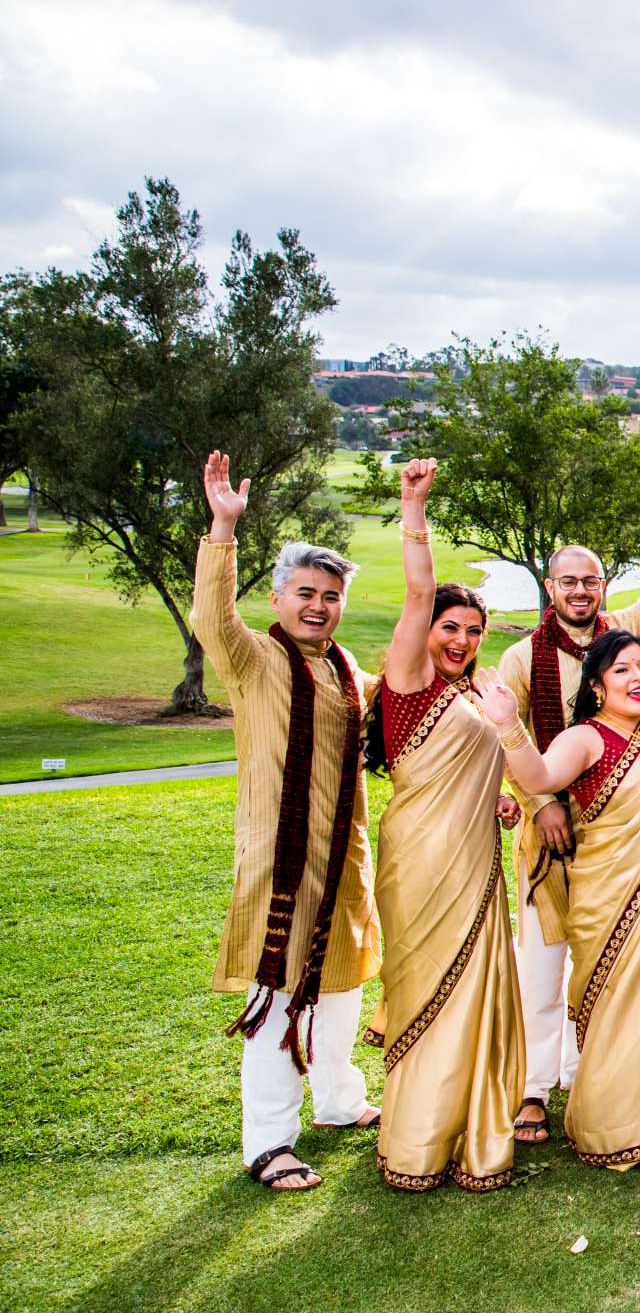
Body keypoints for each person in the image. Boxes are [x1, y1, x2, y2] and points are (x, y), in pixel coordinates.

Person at [476, 621, 640, 1170]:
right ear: (598, 685)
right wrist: (507, 725)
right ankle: (617, 1125)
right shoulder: (586, 737)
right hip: (612, 895)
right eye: (621, 670)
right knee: (626, 1006)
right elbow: (538, 775)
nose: (637, 677)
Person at [195, 450, 381, 1194]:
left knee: (340, 986)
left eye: (330, 596)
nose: (318, 606)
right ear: (277, 599)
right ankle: (270, 1142)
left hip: (344, 857)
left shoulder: (345, 670)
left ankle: (339, 1100)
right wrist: (224, 528)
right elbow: (211, 615)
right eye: (305, 593)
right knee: (278, 993)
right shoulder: (253, 661)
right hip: (280, 858)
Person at [491, 498, 640, 1148]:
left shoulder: (623, 633)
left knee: (607, 961)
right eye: (569, 581)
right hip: (547, 840)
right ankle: (533, 1090)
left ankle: (598, 1081)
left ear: (604, 587)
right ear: (550, 589)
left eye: (591, 580)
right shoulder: (523, 658)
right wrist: (542, 803)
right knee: (543, 967)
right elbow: (506, 735)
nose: (581, 591)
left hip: (617, 843)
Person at [361, 458, 524, 1191]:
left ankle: (472, 1136)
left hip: (477, 860)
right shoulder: (409, 683)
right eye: (449, 627)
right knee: (433, 991)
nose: (460, 639)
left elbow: (473, 762)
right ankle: (418, 1143)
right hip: (421, 863)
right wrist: (414, 509)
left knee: (475, 994)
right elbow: (419, 588)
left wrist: (496, 796)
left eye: (473, 630)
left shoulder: (468, 697)